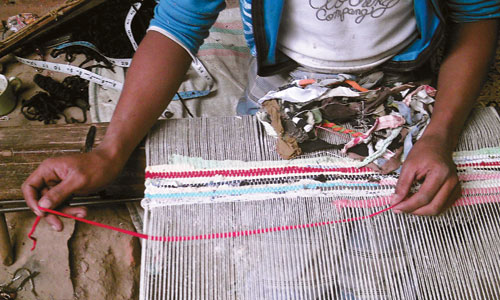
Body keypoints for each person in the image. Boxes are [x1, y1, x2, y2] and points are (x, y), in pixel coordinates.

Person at [22, 0, 499, 232]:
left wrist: (439, 133)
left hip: (404, 75)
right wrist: (110, 149)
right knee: (270, 182)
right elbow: (177, 25)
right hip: (285, 80)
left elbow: (476, 13)